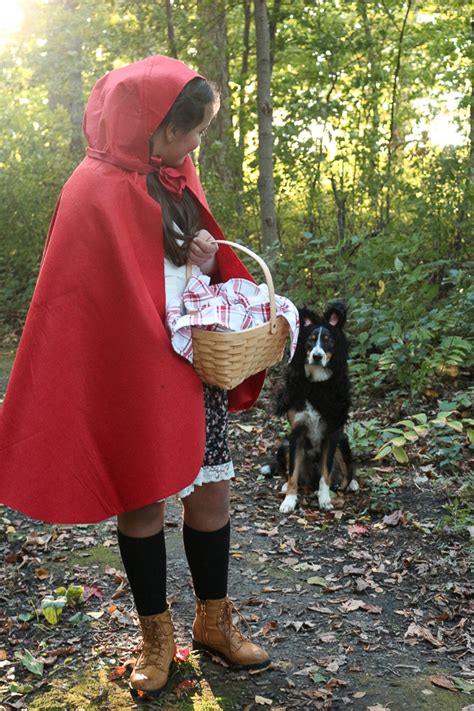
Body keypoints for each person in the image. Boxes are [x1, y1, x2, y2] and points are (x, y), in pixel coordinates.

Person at [0, 55, 271, 698]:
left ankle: (214, 621)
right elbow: (83, 302)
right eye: (193, 130)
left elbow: (194, 266)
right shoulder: (91, 188)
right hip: (132, 369)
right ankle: (155, 636)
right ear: (156, 126)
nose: (198, 142)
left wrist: (207, 261)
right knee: (143, 498)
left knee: (210, 494)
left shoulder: (176, 172)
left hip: (189, 360)